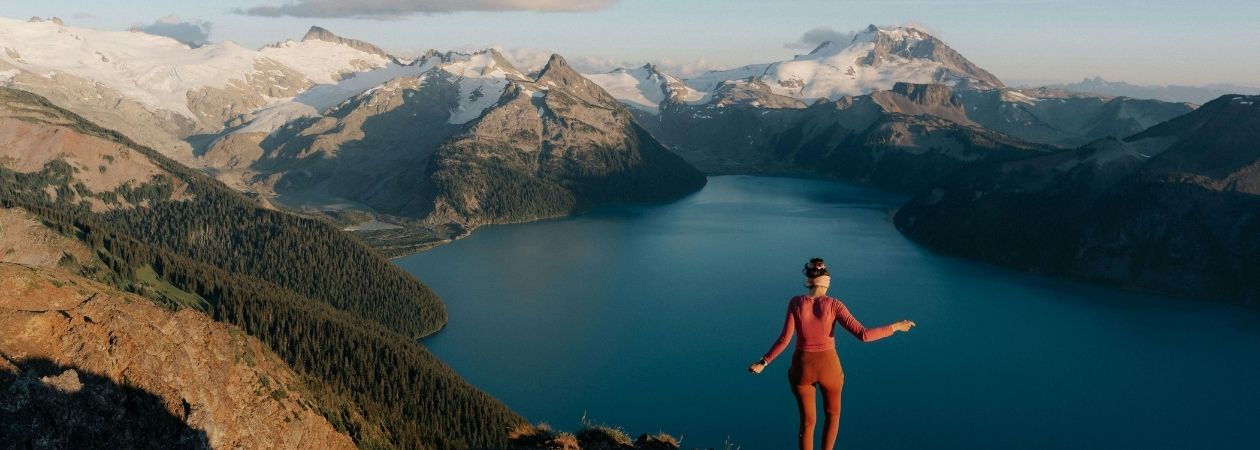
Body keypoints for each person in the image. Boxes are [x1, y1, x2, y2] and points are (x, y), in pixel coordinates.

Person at [748, 257, 915, 450]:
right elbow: (864, 335)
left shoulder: (795, 302)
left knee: (808, 423)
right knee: (833, 415)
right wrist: (895, 327)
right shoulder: (835, 305)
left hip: (801, 368)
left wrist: (763, 362)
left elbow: (784, 340)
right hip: (829, 369)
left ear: (810, 280)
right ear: (827, 282)